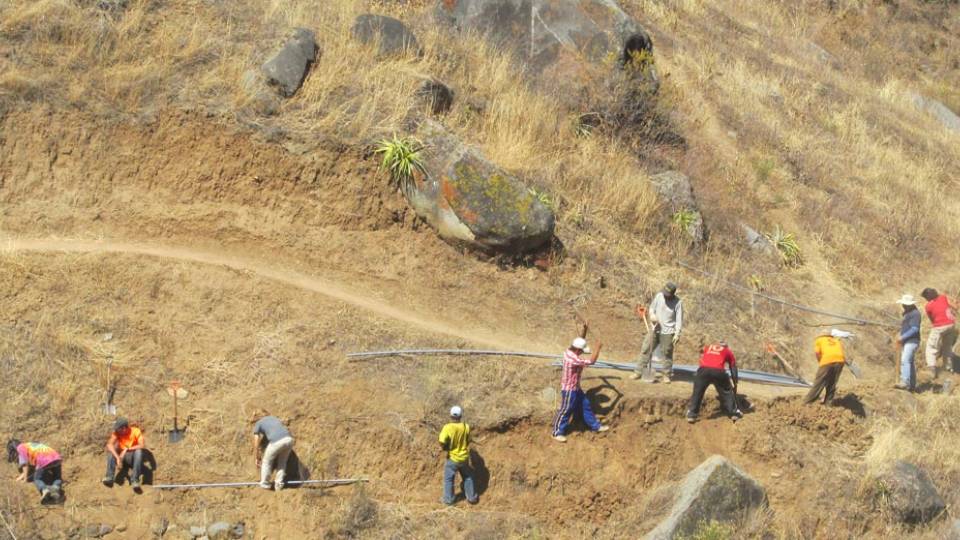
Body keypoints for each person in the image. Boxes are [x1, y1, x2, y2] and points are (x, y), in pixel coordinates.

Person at [552, 323, 609, 442]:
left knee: (586, 404)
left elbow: (580, 341)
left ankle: (596, 426)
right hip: (569, 390)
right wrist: (598, 348)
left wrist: (585, 330)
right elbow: (592, 361)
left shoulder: (570, 350)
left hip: (576, 388)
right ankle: (557, 432)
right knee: (566, 409)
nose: (582, 352)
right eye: (582, 350)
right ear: (578, 349)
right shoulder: (573, 359)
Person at [632, 282, 683, 383]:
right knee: (646, 349)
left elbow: (679, 320)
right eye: (665, 293)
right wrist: (652, 316)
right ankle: (638, 372)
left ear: (673, 294)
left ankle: (666, 375)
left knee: (667, 353)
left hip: (668, 331)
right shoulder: (659, 296)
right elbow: (652, 308)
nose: (665, 296)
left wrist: (677, 333)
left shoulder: (678, 303)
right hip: (655, 328)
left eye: (668, 295)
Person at [686, 341, 743, 423]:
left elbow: (701, 351)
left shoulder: (708, 347)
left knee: (697, 392)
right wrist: (735, 382)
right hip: (718, 371)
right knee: (727, 391)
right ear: (726, 347)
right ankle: (733, 413)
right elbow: (733, 367)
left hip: (703, 370)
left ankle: (692, 414)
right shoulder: (727, 351)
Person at [438, 406, 478, 506]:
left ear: (451, 415)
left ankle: (448, 499)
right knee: (468, 477)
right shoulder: (466, 426)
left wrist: (445, 447)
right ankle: (472, 498)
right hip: (464, 458)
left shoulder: (447, 427)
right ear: (461, 416)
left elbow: (442, 441)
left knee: (449, 479)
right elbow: (469, 440)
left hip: (452, 458)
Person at [6, 439, 63, 504]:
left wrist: (25, 479)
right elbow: (28, 467)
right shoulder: (29, 445)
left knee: (37, 479)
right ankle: (55, 488)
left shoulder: (20, 448)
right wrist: (19, 477)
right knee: (57, 477)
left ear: (13, 449)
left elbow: (25, 465)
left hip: (43, 460)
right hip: (56, 457)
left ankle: (44, 489)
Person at [102, 417, 146, 493]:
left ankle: (135, 480)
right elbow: (109, 445)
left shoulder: (135, 431)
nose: (117, 431)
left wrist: (127, 449)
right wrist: (118, 458)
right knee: (111, 451)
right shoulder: (117, 433)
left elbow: (142, 445)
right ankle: (109, 477)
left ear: (124, 428)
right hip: (121, 457)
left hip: (132, 458)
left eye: (118, 429)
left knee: (139, 452)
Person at [921, 288, 957, 378]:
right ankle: (948, 368)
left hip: (939, 326)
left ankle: (931, 368)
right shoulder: (943, 297)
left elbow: (932, 320)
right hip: (951, 324)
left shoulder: (928, 306)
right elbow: (955, 307)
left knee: (931, 347)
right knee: (947, 347)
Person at [252, 413, 294, 491]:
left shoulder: (259, 423)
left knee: (266, 461)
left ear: (256, 417)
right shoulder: (273, 417)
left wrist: (257, 457)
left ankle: (265, 484)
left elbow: (256, 441)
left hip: (277, 441)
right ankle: (279, 485)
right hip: (289, 439)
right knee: (282, 462)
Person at [803, 330, 847, 405]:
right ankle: (828, 402)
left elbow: (817, 353)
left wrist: (820, 362)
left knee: (819, 381)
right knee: (832, 382)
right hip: (840, 361)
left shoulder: (819, 340)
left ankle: (808, 401)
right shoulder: (836, 340)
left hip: (827, 360)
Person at [895, 294, 921, 391]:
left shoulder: (915, 314)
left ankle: (905, 382)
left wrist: (902, 337)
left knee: (905, 360)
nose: (903, 305)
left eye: (904, 304)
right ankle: (912, 385)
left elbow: (915, 329)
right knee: (910, 362)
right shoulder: (907, 313)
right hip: (907, 341)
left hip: (912, 340)